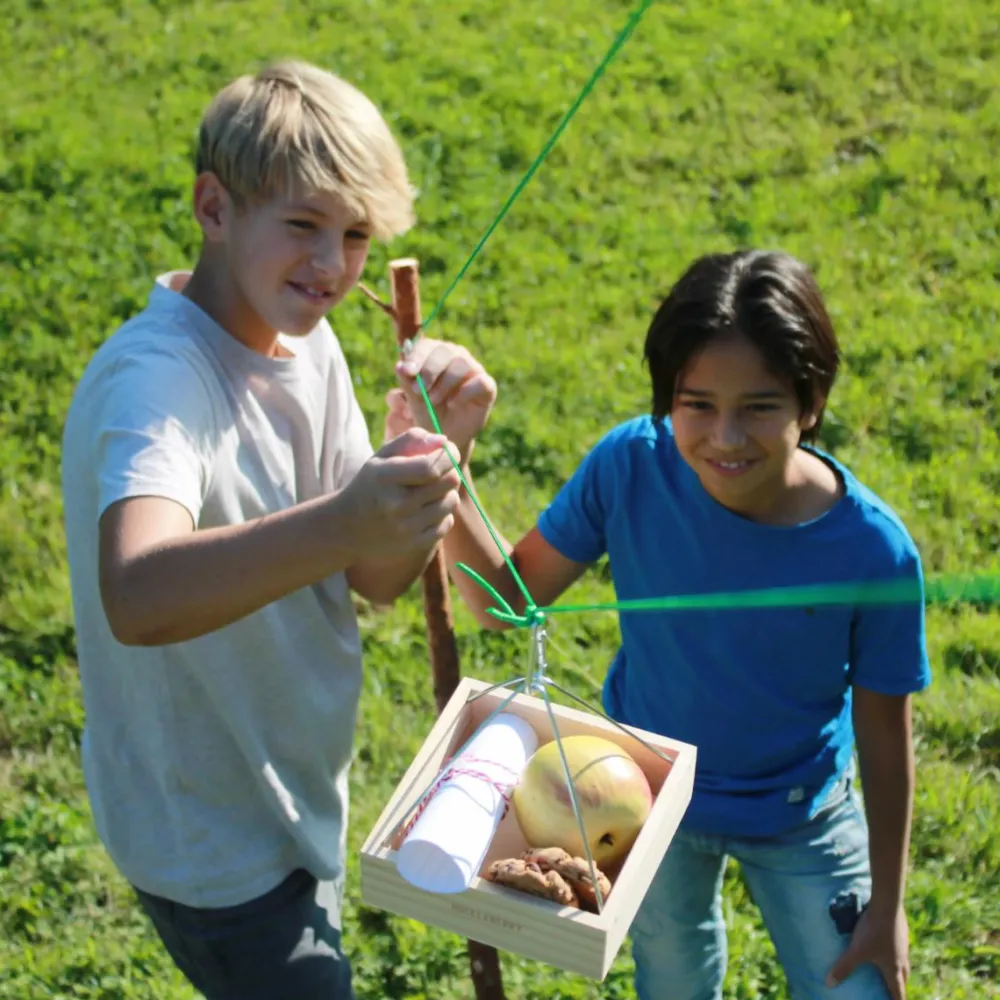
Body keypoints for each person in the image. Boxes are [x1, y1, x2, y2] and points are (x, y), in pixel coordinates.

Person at [61, 59, 497, 1000]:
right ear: (213, 208)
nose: (333, 266)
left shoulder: (306, 341)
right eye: (302, 225)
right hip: (209, 838)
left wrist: (427, 464)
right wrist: (345, 516)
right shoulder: (160, 385)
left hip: (293, 793)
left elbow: (370, 578)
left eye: (354, 236)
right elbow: (136, 594)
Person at [389, 250, 930, 1000]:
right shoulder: (630, 467)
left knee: (854, 987)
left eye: (760, 406)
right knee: (673, 978)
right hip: (646, 788)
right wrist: (449, 461)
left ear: (811, 402)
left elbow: (882, 724)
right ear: (665, 398)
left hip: (802, 806)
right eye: (697, 403)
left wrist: (890, 904)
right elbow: (503, 601)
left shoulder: (872, 550)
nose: (726, 437)